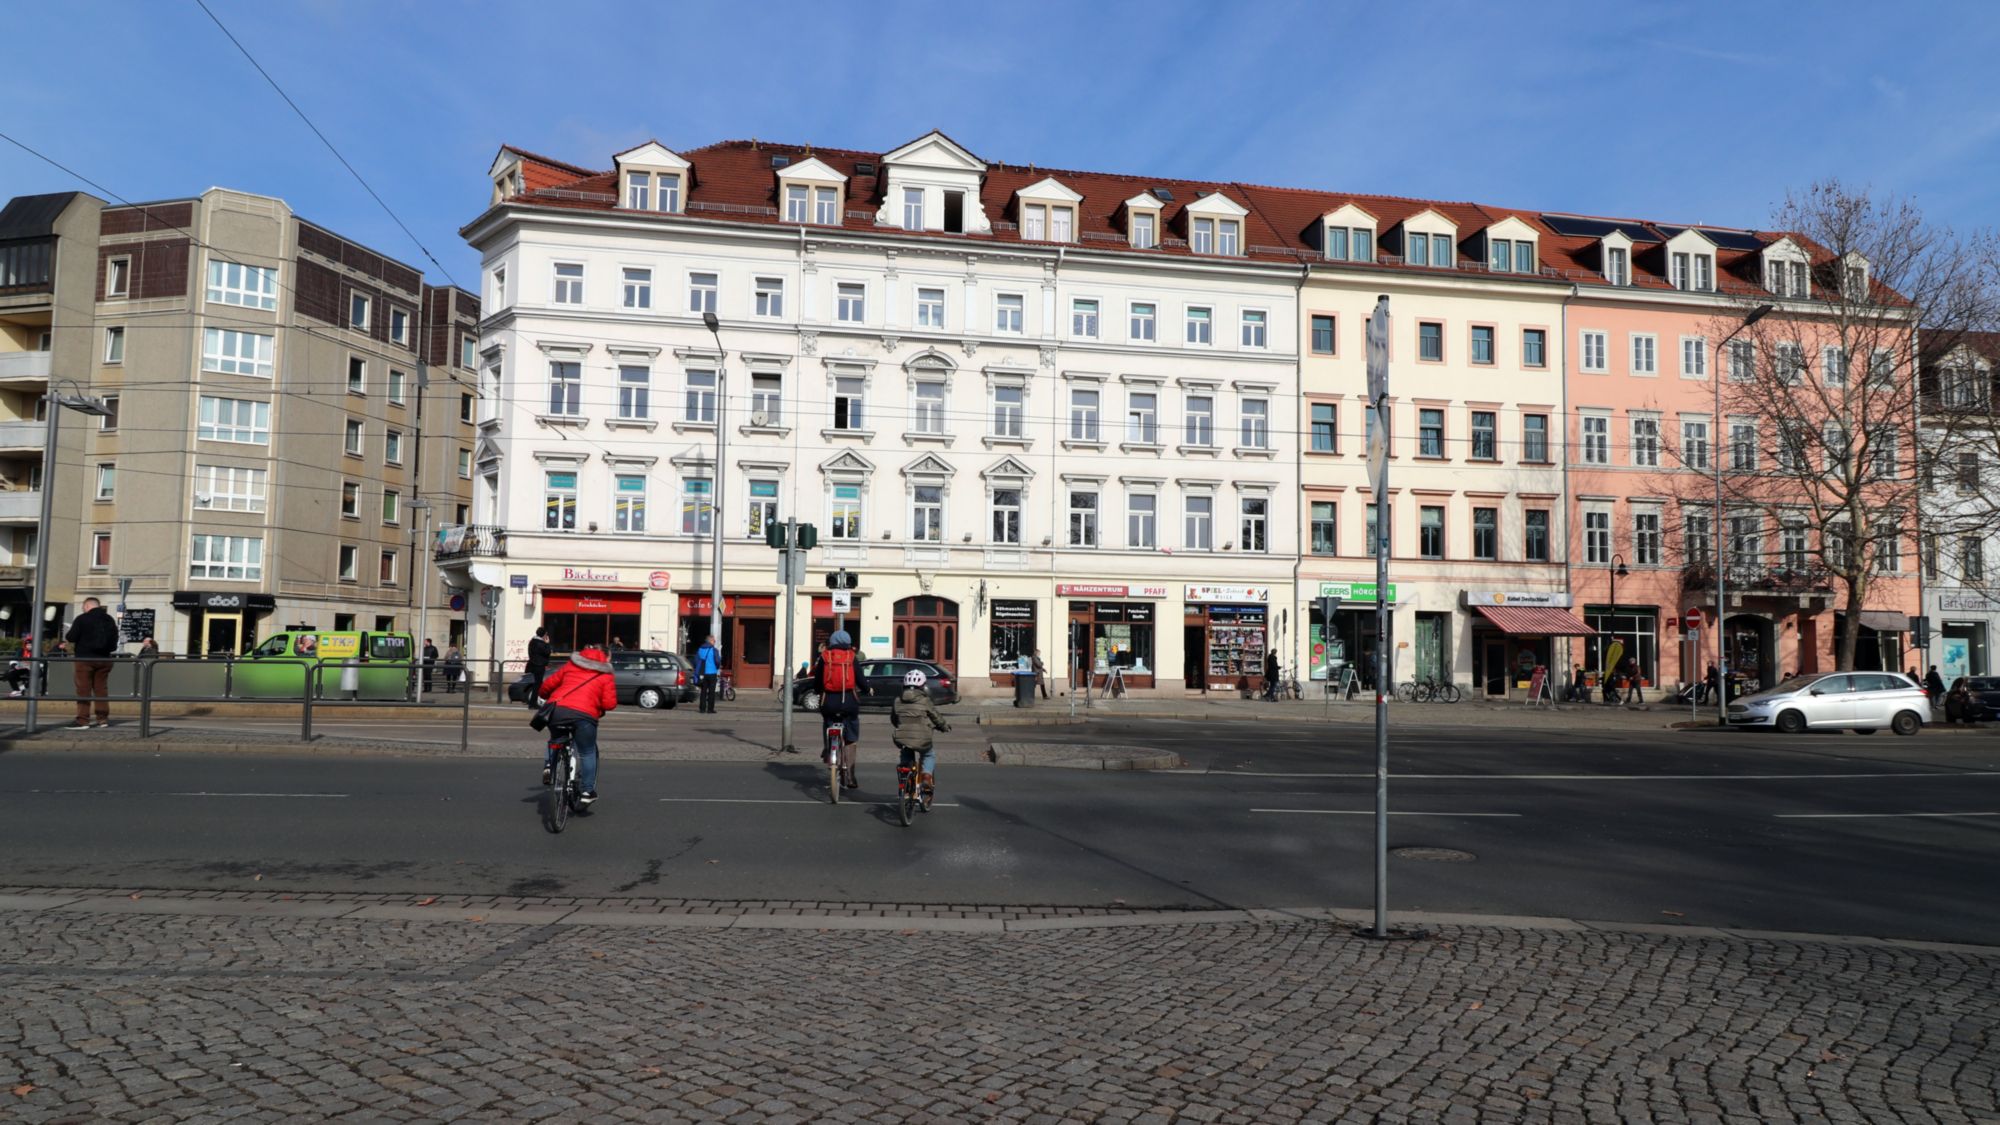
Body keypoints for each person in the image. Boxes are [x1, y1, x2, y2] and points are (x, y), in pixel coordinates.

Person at [535, 645, 617, 806]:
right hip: (584, 716)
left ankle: (549, 766)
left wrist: (546, 696)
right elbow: (609, 704)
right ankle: (587, 791)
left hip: (557, 711)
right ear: (604, 657)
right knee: (587, 752)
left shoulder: (571, 665)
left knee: (556, 740)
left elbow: (546, 686)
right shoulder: (605, 674)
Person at [891, 668, 951, 810]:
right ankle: (926, 778)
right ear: (923, 686)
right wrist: (944, 727)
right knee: (928, 754)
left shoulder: (897, 701)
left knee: (906, 753)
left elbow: (894, 719)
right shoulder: (925, 701)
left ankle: (906, 783)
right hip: (923, 738)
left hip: (902, 737)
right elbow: (936, 717)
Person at [809, 629, 862, 789]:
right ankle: (851, 775)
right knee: (851, 730)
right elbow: (860, 679)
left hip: (829, 702)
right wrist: (867, 689)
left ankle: (827, 749)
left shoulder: (824, 657)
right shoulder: (852, 657)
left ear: (831, 642)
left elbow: (817, 681)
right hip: (849, 702)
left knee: (828, 721)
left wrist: (818, 691)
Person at [64, 597, 119, 729]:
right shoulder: (109, 619)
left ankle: (83, 721)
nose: (83, 609)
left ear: (87, 605)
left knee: (83, 690)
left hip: (85, 659)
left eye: (83, 607)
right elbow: (114, 640)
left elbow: (70, 637)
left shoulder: (82, 618)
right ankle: (103, 719)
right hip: (105, 659)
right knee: (101, 690)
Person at [520, 627, 552, 707]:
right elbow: (547, 652)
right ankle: (533, 703)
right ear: (544, 635)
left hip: (534, 665)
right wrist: (547, 643)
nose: (546, 636)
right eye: (546, 634)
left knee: (537, 684)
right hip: (539, 665)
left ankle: (534, 702)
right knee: (537, 685)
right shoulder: (540, 643)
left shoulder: (533, 641)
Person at [695, 635, 721, 713]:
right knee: (711, 692)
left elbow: (696, 661)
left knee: (703, 691)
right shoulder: (714, 650)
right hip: (712, 673)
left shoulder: (700, 649)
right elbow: (717, 661)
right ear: (710, 641)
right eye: (713, 641)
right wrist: (717, 667)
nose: (714, 642)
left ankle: (702, 709)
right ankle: (710, 709)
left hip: (702, 674)